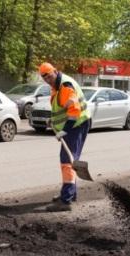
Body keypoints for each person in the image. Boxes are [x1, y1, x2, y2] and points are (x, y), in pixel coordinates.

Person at [39, 62, 91, 212]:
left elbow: (74, 111)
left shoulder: (65, 86)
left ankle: (66, 200)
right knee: (70, 160)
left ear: (55, 71)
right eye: (44, 77)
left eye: (48, 75)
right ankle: (70, 193)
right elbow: (61, 107)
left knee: (67, 161)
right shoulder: (56, 86)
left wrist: (65, 130)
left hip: (77, 124)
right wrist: (53, 120)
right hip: (74, 124)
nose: (47, 79)